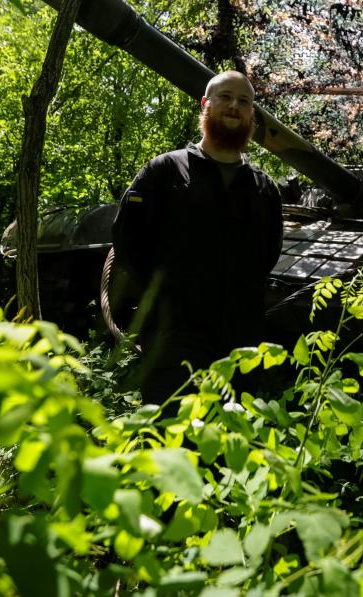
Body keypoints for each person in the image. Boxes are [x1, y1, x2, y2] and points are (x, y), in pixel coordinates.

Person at [111, 70, 283, 402]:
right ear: (205, 104)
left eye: (244, 101)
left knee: (232, 441)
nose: (234, 106)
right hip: (173, 336)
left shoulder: (264, 189)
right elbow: (128, 241)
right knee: (169, 437)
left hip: (241, 340)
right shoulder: (164, 171)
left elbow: (268, 255)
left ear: (252, 115)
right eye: (225, 97)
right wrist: (162, 298)